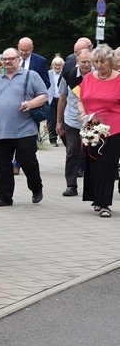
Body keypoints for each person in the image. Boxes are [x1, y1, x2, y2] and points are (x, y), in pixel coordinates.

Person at [0, 48, 48, 207]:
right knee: (2, 166)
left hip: (25, 129)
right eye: (5, 59)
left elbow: (44, 95)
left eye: (11, 59)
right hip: (1, 131)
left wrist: (30, 104)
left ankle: (36, 188)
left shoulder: (31, 76)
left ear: (19, 59)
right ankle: (4, 197)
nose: (7, 61)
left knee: (28, 161)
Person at [76, 44, 120, 218]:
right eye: (96, 62)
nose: (99, 66)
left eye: (102, 62)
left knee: (107, 165)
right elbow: (81, 99)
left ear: (111, 61)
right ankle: (96, 198)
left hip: (114, 129)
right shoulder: (88, 78)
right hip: (92, 127)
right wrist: (83, 113)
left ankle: (105, 204)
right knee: (93, 163)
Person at [56, 49, 92, 197]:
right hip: (72, 120)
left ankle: (92, 185)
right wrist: (58, 122)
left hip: (92, 121)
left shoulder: (97, 76)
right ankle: (71, 185)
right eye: (83, 61)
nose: (87, 64)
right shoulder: (68, 76)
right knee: (72, 152)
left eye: (89, 61)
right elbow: (62, 99)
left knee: (91, 153)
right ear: (77, 61)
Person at [47, 56, 64, 146]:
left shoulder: (65, 74)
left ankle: (63, 137)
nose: (57, 67)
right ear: (52, 65)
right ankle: (52, 139)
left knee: (62, 119)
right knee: (51, 119)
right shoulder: (48, 73)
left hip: (62, 99)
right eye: (56, 65)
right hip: (51, 99)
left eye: (59, 65)